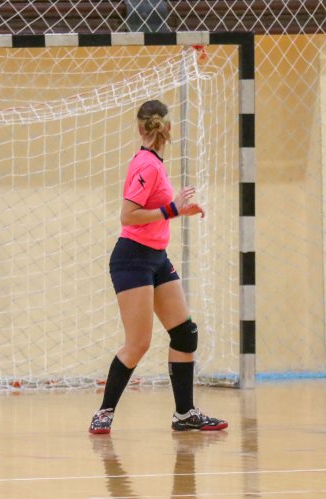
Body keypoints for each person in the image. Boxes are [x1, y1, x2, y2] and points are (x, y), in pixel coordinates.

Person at [88, 100, 227, 434]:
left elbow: (160, 210)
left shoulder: (154, 164)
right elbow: (128, 215)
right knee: (138, 343)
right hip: (132, 259)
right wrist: (171, 209)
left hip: (156, 257)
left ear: (140, 128)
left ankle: (184, 414)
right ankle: (104, 411)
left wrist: (178, 210)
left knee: (184, 332)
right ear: (169, 129)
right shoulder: (146, 165)